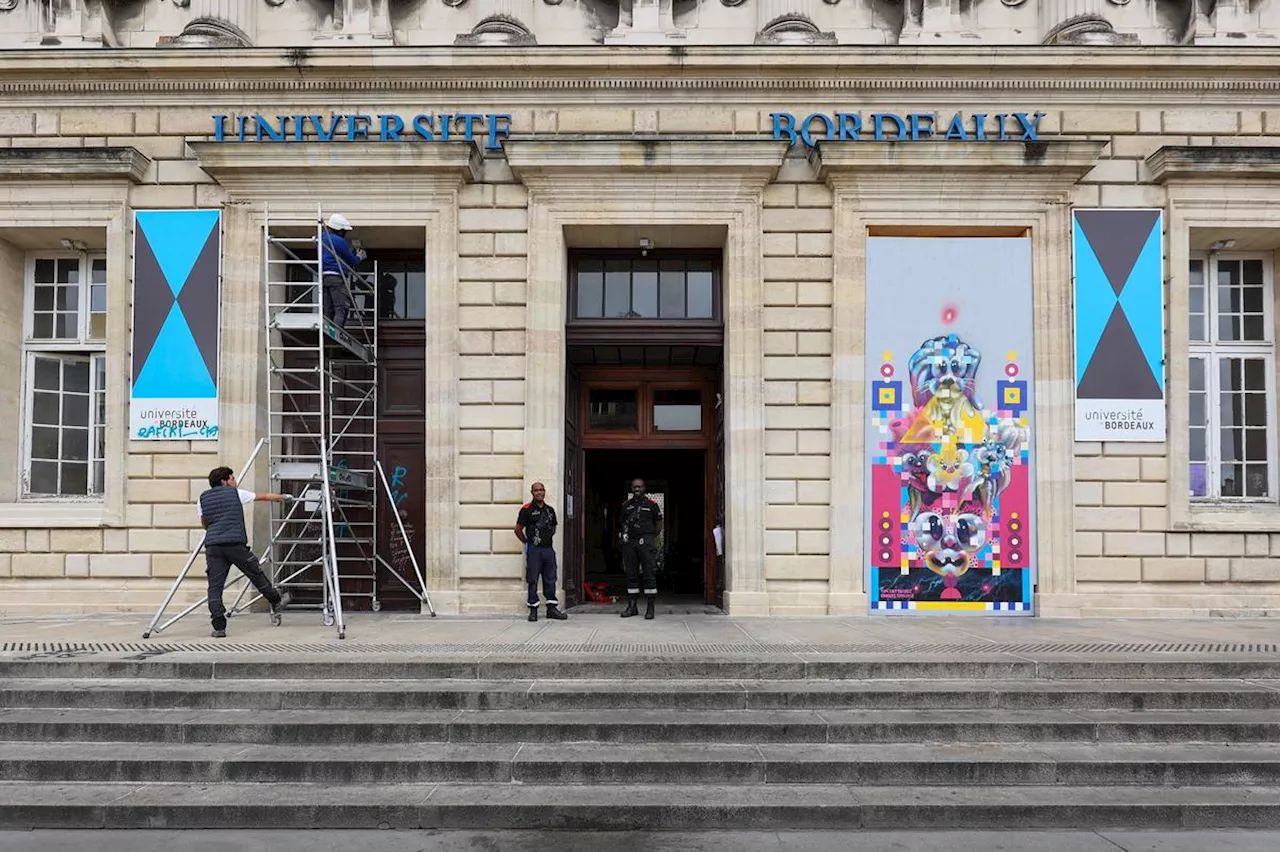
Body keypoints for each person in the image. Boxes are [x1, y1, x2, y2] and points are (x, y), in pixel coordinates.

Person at [197, 466, 293, 638]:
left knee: (215, 587)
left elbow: (204, 523)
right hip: (234, 544)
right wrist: (283, 497)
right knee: (255, 573)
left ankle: (219, 627)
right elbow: (262, 496)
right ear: (224, 481)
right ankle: (276, 600)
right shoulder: (235, 493)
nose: (235, 481)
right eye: (232, 479)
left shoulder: (202, 498)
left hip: (213, 546)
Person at [515, 482, 567, 622]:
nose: (539, 492)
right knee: (532, 579)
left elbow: (554, 528)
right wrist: (527, 542)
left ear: (544, 492)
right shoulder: (526, 509)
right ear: (532, 493)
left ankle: (551, 608)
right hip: (534, 549)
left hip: (548, 549)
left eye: (541, 490)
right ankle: (533, 609)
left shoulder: (550, 510)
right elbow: (518, 530)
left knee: (550, 578)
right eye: (536, 490)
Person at [620, 478, 662, 620]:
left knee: (649, 574)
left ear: (644, 488)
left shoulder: (652, 505)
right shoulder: (626, 506)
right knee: (631, 574)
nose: (637, 489)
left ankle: (650, 608)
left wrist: (649, 538)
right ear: (631, 488)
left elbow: (658, 525)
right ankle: (632, 606)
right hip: (630, 543)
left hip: (646, 541)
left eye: (639, 486)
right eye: (634, 487)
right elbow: (622, 524)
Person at [319, 213, 365, 329]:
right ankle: (336, 334)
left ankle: (326, 334)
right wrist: (360, 256)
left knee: (328, 309)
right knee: (341, 308)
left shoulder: (321, 238)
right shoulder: (339, 241)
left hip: (324, 278)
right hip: (337, 278)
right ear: (339, 230)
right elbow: (353, 261)